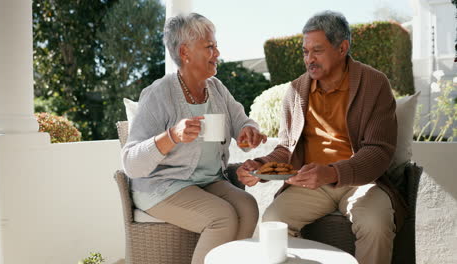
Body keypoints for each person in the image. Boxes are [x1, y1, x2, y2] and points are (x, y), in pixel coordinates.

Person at [237, 10, 405, 264]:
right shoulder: (295, 91)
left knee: (375, 225)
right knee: (272, 223)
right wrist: (260, 166)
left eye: (317, 50)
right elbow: (286, 149)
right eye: (305, 52)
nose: (309, 59)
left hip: (362, 182)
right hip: (309, 184)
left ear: (342, 48)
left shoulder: (374, 84)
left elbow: (378, 151)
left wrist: (332, 172)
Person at [122, 13, 267, 264]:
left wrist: (247, 131)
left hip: (209, 181)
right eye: (210, 47)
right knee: (222, 217)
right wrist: (171, 136)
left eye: (215, 45)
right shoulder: (158, 94)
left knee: (247, 206)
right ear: (185, 52)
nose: (217, 53)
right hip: (163, 186)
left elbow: (241, 121)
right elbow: (130, 163)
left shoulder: (217, 89)